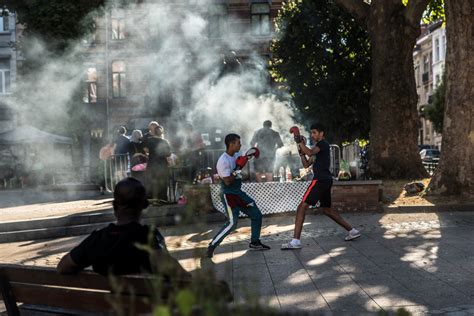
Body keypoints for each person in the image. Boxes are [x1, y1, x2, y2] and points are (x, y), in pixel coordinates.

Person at [57, 177, 190, 280]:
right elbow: (179, 275)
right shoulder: (148, 237)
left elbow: (63, 267)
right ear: (143, 206)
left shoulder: (97, 239)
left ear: (114, 206)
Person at [281, 123, 360, 250]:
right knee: (327, 210)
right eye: (311, 133)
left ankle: (295, 241)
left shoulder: (323, 144)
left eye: (314, 132)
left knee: (301, 207)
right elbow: (306, 164)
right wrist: (301, 150)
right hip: (325, 180)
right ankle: (353, 231)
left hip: (320, 180)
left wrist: (299, 141)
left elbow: (310, 151)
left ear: (321, 133)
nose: (312, 135)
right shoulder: (317, 149)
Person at [207, 133, 270, 258]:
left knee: (256, 214)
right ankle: (212, 245)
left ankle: (255, 242)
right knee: (232, 223)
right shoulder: (223, 161)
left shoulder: (235, 155)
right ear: (231, 144)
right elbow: (227, 181)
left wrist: (248, 156)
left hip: (238, 192)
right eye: (238, 143)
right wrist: (237, 168)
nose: (240, 145)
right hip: (228, 194)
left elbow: (241, 160)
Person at [144, 121, 171, 202]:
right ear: (161, 133)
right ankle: (162, 199)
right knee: (162, 182)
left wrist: (149, 152)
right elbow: (168, 154)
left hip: (152, 163)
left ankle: (151, 199)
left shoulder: (149, 140)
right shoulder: (165, 141)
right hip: (162, 164)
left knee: (151, 181)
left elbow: (145, 150)